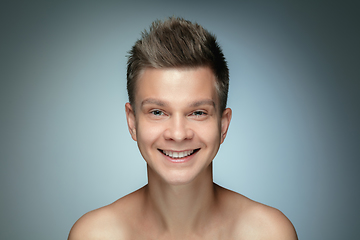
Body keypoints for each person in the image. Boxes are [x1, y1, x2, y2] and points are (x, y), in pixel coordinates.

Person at [68, 17, 298, 239]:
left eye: (197, 113)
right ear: (132, 121)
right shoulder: (95, 235)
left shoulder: (268, 234)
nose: (178, 134)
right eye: (158, 112)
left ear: (223, 125)